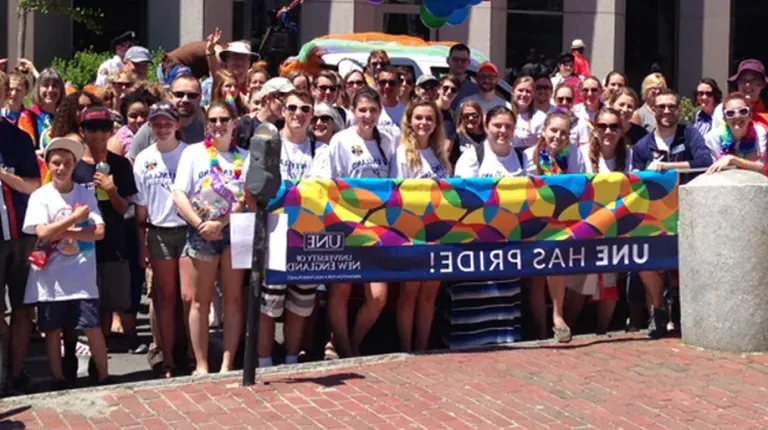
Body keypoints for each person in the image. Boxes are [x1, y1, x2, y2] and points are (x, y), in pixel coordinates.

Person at [310, 88, 395, 358]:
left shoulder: (389, 141)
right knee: (341, 290)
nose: (368, 115)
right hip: (344, 225)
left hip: (377, 227)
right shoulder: (340, 141)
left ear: (380, 111)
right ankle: (343, 349)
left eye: (373, 110)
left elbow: (394, 186)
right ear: (354, 112)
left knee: (378, 296)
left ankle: (353, 344)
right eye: (362, 110)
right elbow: (328, 183)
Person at [23, 137, 110, 390]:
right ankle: (58, 378)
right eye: (57, 163)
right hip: (50, 278)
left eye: (67, 163)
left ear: (74, 165)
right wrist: (74, 219)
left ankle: (104, 375)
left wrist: (62, 231)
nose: (62, 168)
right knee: (52, 330)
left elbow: (99, 231)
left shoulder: (84, 193)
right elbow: (41, 232)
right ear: (49, 165)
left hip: (81, 275)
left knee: (91, 326)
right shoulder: (41, 196)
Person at [172, 101, 250, 375]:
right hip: (201, 229)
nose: (219, 125)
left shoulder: (246, 156)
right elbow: (179, 193)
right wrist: (200, 223)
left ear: (234, 122)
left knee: (233, 299)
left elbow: (246, 197)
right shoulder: (194, 153)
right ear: (207, 124)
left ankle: (228, 364)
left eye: (224, 119)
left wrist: (223, 221)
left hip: (235, 230)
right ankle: (202, 364)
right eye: (214, 120)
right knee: (199, 300)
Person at [632, 89, 712, 338]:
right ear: (652, 110)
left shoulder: (690, 134)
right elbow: (635, 180)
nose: (667, 111)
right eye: (661, 107)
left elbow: (704, 162)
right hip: (653, 214)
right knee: (646, 264)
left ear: (679, 109)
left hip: (688, 212)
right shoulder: (643, 145)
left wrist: (667, 167)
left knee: (681, 268)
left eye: (672, 106)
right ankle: (658, 310)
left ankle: (681, 317)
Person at [259, 91, 321, 368]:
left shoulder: (322, 150)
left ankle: (292, 359)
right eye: (292, 107)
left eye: (304, 108)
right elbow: (257, 186)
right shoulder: (267, 144)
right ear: (283, 111)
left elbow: (319, 191)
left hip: (308, 234)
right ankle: (262, 361)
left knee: (301, 303)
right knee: (268, 304)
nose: (298, 113)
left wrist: (287, 190)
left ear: (312, 113)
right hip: (273, 232)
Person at [72, 106, 138, 348]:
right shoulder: (74, 165)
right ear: (82, 131)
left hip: (113, 241)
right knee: (82, 302)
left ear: (111, 131)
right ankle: (77, 352)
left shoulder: (120, 165)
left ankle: (102, 353)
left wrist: (111, 190)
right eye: (91, 128)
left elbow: (123, 209)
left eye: (103, 128)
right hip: (80, 244)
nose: (98, 134)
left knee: (108, 303)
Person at [389, 99, 450, 352]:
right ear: (410, 121)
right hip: (412, 232)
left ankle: (423, 346)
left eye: (429, 118)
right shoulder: (402, 153)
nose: (424, 123)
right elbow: (396, 196)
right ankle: (406, 347)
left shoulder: (440, 153)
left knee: (429, 295)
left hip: (439, 231)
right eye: (419, 118)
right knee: (409, 294)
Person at [133, 102, 187, 378]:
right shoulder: (143, 158)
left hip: (189, 230)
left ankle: (190, 354)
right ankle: (167, 358)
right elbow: (140, 209)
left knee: (189, 297)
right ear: (150, 126)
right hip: (159, 232)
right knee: (165, 298)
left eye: (168, 123)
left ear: (177, 124)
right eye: (157, 123)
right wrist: (142, 243)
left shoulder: (190, 154)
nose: (163, 128)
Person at [522, 112, 586, 343]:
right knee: (537, 278)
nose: (558, 136)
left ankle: (558, 317)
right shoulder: (529, 155)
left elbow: (579, 184)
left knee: (556, 266)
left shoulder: (575, 155)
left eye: (563, 132)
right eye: (554, 131)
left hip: (562, 218)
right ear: (544, 130)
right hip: (534, 218)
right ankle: (540, 330)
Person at [566, 108, 629, 334]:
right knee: (580, 281)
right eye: (602, 126)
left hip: (617, 228)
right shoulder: (581, 154)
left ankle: (603, 330)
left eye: (613, 127)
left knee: (609, 282)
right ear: (594, 130)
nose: (607, 132)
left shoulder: (629, 156)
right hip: (586, 226)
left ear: (621, 131)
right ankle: (569, 329)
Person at [0, 81, 42, 394]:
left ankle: (15, 371)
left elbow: (32, 185)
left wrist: (3, 174)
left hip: (17, 235)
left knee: (23, 308)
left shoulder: (18, 137)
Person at [127, 73, 205, 161]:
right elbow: (131, 161)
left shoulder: (205, 130)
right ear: (170, 96)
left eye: (192, 95)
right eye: (179, 94)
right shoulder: (151, 128)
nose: (185, 99)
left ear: (200, 98)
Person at [454, 106, 524, 177]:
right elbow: (463, 187)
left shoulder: (523, 159)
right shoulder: (470, 157)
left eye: (508, 126)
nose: (503, 130)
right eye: (497, 125)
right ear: (486, 127)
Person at [705, 92, 766, 174]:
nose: (737, 116)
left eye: (743, 111)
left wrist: (732, 159)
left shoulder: (759, 132)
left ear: (750, 115)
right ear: (724, 118)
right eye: (730, 113)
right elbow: (715, 168)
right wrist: (747, 162)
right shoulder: (713, 137)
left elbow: (760, 167)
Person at [712, 59, 768, 130]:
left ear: (762, 84)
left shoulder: (766, 115)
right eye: (743, 80)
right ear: (737, 83)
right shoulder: (722, 110)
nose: (747, 84)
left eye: (753, 80)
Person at [18, 68, 65, 151]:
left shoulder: (65, 117)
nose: (50, 90)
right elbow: (23, 151)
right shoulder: (28, 116)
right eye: (46, 86)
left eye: (54, 86)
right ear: (38, 89)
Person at [107, 89, 157, 156]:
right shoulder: (117, 141)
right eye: (133, 116)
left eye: (144, 115)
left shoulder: (161, 133)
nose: (140, 120)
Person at [511, 76, 547, 154]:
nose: (524, 94)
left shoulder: (540, 117)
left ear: (533, 95)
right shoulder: (504, 112)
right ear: (513, 91)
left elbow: (542, 146)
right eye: (520, 90)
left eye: (528, 91)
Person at [449, 100, 486, 166]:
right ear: (462, 118)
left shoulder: (489, 137)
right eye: (466, 116)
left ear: (481, 116)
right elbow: (452, 164)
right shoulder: (457, 137)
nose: (471, 118)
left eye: (474, 115)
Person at [447, 44, 480, 110]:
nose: (459, 63)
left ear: (469, 62)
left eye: (463, 60)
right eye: (455, 59)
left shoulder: (476, 90)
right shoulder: (437, 87)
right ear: (448, 60)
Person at [375, 66, 406, 130]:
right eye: (383, 82)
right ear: (377, 84)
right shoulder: (371, 111)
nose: (387, 86)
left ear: (399, 85)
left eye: (392, 83)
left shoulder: (406, 112)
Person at [436, 75, 460, 150]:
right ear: (438, 89)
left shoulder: (455, 116)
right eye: (445, 88)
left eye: (453, 90)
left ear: (456, 94)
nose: (449, 91)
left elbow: (449, 144)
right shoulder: (428, 109)